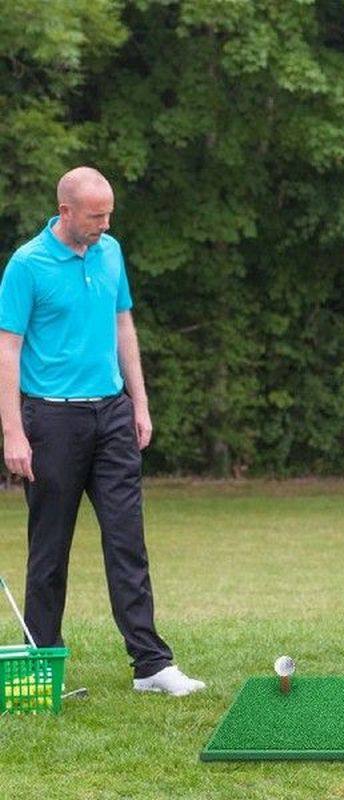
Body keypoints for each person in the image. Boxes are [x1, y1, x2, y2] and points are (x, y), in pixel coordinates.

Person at [0, 167, 204, 696]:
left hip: (112, 415)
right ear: (65, 211)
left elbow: (123, 325)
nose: (105, 224)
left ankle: (151, 665)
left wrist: (140, 403)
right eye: (96, 216)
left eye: (109, 213)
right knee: (50, 550)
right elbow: (8, 350)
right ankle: (41, 664)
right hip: (51, 421)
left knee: (127, 541)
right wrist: (12, 433)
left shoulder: (110, 252)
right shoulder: (27, 264)